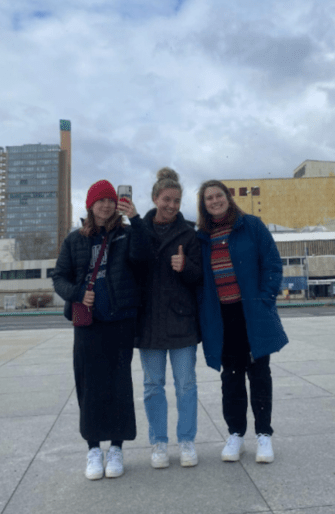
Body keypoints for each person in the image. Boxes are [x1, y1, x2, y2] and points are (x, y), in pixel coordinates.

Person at [53, 180, 146, 480]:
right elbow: (59, 277)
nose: (106, 205)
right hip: (88, 324)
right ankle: (93, 448)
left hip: (119, 321)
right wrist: (78, 293)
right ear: (90, 205)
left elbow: (145, 258)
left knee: (119, 384)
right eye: (100, 201)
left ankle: (116, 448)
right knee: (89, 386)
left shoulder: (127, 233)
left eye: (110, 200)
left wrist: (136, 218)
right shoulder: (74, 240)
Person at [196, 180, 288, 465]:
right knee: (231, 378)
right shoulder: (202, 237)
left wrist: (264, 299)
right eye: (208, 198)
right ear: (203, 204)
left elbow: (272, 263)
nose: (214, 201)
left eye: (218, 195)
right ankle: (236, 433)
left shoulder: (252, 226)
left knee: (259, 374)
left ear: (228, 198)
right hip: (224, 318)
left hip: (252, 313)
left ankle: (264, 434)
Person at [136, 168, 202, 469]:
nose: (172, 205)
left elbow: (201, 277)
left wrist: (186, 266)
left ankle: (186, 440)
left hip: (181, 322)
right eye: (166, 199)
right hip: (148, 321)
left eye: (177, 200)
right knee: (152, 385)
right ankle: (159, 443)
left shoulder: (190, 234)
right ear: (154, 198)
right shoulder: (137, 230)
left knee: (186, 384)